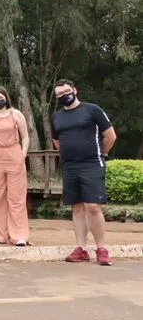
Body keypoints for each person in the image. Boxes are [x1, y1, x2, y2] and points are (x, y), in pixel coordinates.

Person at [51, 79, 117, 266]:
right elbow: (57, 142)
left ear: (75, 90)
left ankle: (101, 249)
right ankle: (80, 249)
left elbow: (110, 136)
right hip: (70, 166)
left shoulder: (92, 110)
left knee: (93, 207)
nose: (64, 96)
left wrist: (101, 153)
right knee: (77, 207)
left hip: (92, 164)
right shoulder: (56, 117)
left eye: (66, 92)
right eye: (59, 95)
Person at [0, 86, 30, 245]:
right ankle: (1, 234)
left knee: (16, 197)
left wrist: (22, 155)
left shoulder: (15, 114)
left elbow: (25, 137)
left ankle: (19, 235)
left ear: (6, 97)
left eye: (0, 97)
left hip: (13, 154)